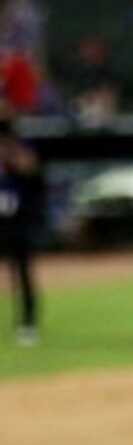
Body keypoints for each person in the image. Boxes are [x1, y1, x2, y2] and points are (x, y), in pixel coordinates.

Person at [0, 113, 42, 345]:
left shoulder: (20, 146)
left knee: (22, 271)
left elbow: (30, 167)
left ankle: (28, 322)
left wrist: (12, 151)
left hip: (16, 218)